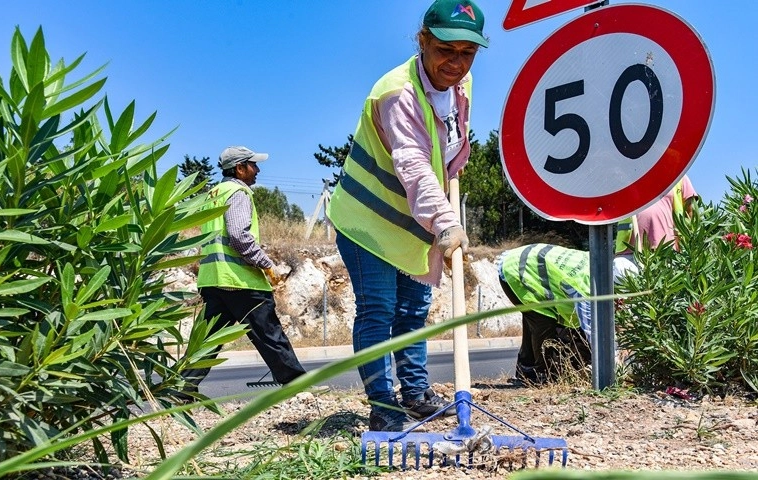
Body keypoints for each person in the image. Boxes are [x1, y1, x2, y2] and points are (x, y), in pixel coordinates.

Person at [326, 0, 489, 432]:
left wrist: (454, 168)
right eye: (445, 50)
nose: (456, 62)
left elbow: (448, 142)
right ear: (423, 42)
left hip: (416, 220)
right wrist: (446, 221)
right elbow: (414, 162)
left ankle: (415, 394)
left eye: (466, 53)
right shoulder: (397, 92)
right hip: (369, 219)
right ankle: (384, 404)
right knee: (378, 310)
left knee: (414, 311)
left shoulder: (463, 83)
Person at [176, 146, 306, 402]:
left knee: (209, 337)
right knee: (269, 333)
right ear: (239, 168)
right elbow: (238, 235)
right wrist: (266, 264)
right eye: (253, 165)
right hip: (240, 280)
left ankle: (182, 387)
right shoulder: (238, 192)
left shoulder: (214, 193)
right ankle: (296, 385)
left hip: (214, 279)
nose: (257, 170)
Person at [498, 243, 631, 385]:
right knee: (543, 322)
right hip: (517, 270)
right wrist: (612, 364)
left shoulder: (600, 263)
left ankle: (527, 370)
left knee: (536, 319)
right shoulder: (586, 291)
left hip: (527, 260)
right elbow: (593, 334)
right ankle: (542, 375)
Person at [615, 174, 699, 261]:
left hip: (668, 251)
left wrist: (689, 246)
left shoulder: (678, 173)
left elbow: (691, 211)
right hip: (628, 252)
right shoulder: (628, 173)